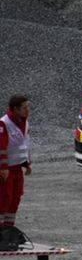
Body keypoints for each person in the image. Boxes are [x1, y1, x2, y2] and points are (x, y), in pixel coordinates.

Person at [0, 95, 32, 229]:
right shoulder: (4, 123)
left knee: (15, 198)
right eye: (24, 107)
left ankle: (8, 228)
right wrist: (3, 168)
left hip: (17, 168)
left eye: (27, 107)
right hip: (6, 170)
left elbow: (24, 143)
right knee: (4, 198)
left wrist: (26, 163)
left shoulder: (24, 123)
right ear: (15, 109)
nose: (27, 110)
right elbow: (1, 147)